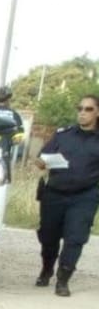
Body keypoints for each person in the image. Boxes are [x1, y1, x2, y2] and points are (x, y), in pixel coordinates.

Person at [32, 94, 99, 297]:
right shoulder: (63, 135)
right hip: (54, 193)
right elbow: (41, 158)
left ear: (97, 112)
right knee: (48, 236)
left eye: (88, 109)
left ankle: (63, 279)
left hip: (84, 196)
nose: (82, 113)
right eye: (80, 108)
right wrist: (42, 162)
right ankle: (47, 268)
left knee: (75, 238)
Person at [0, 85, 25, 166]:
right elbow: (18, 138)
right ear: (8, 99)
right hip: (3, 155)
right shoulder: (14, 115)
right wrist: (6, 141)